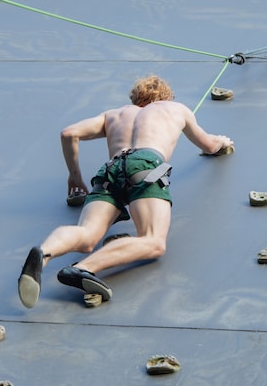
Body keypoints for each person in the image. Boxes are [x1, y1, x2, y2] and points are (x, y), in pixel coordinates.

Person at [19, 75, 233, 308]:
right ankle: (83, 268)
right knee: (153, 241)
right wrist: (222, 141)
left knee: (87, 234)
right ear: (166, 96)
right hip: (145, 164)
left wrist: (74, 176)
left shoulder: (114, 115)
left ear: (135, 98)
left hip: (110, 169)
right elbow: (209, 145)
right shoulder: (175, 109)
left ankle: (44, 252)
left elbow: (69, 133)